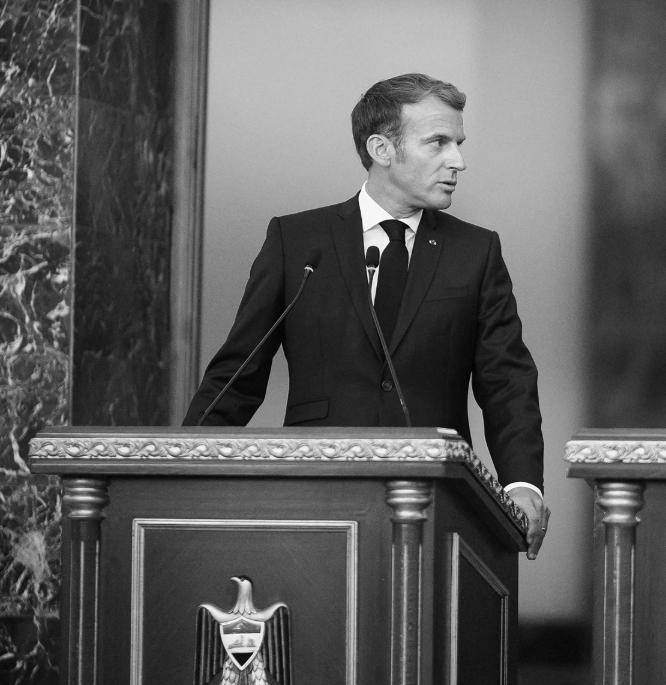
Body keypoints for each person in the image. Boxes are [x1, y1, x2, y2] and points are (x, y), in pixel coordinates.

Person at [184, 73, 550, 557]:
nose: (458, 161)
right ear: (381, 149)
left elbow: (507, 381)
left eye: (458, 144)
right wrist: (184, 469)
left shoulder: (475, 251)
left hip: (439, 504)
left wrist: (523, 484)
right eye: (438, 142)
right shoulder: (298, 242)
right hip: (314, 501)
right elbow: (238, 373)